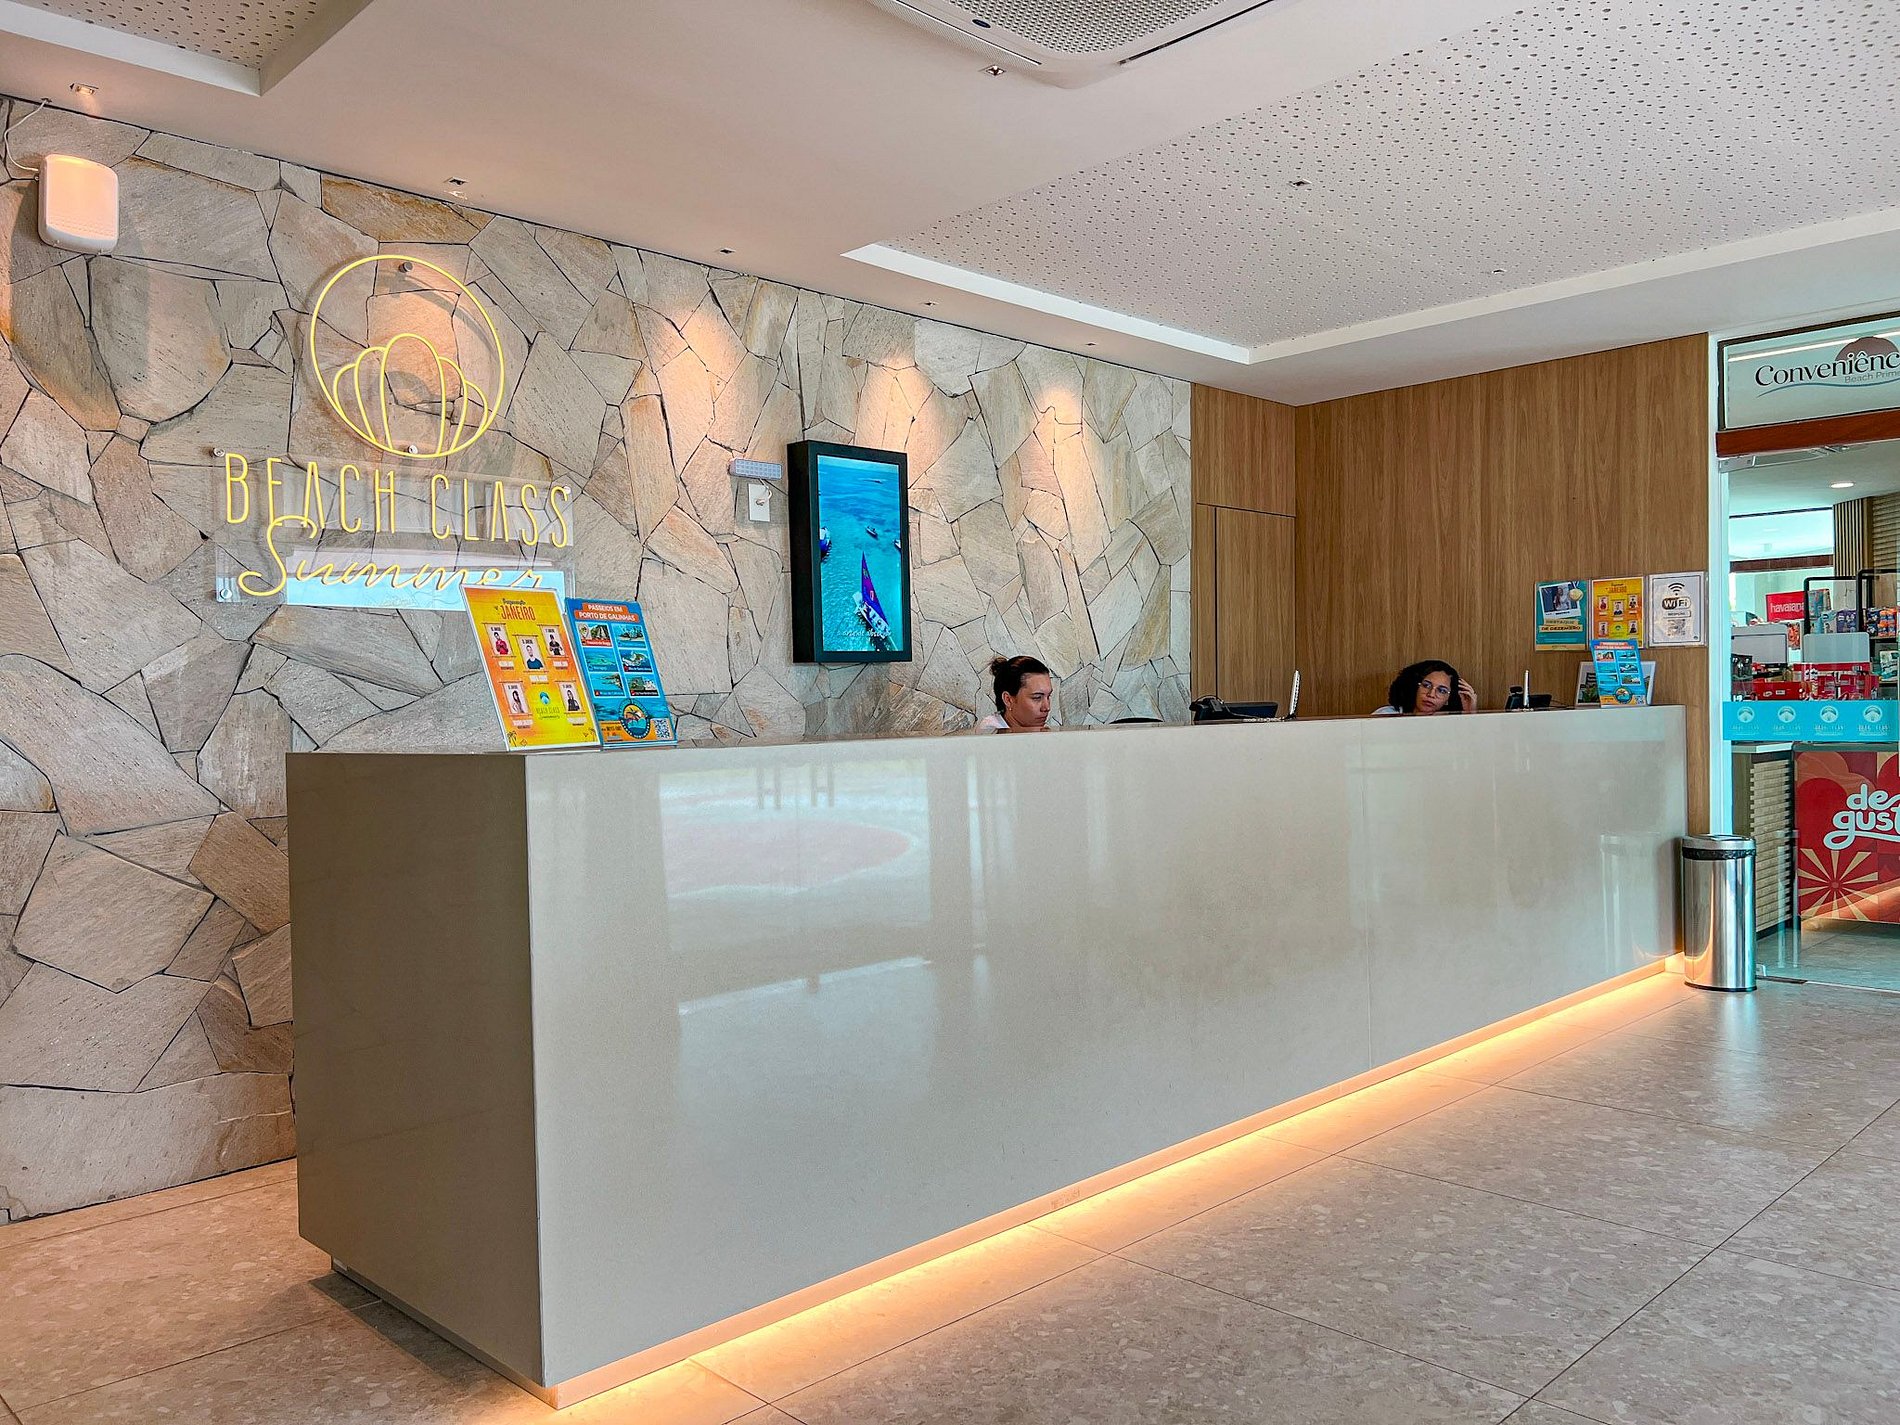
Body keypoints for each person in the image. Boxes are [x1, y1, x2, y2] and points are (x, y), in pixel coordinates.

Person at [978, 655, 1053, 732]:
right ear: (1008, 700)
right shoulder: (989, 732)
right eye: (1037, 697)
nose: (1047, 708)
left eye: (1048, 696)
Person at [1374, 661, 1476, 715]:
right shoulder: (1387, 715)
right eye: (1426, 685)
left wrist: (1469, 714)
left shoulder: (1450, 725)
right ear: (1415, 687)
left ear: (1448, 700)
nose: (1431, 694)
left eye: (1442, 691)